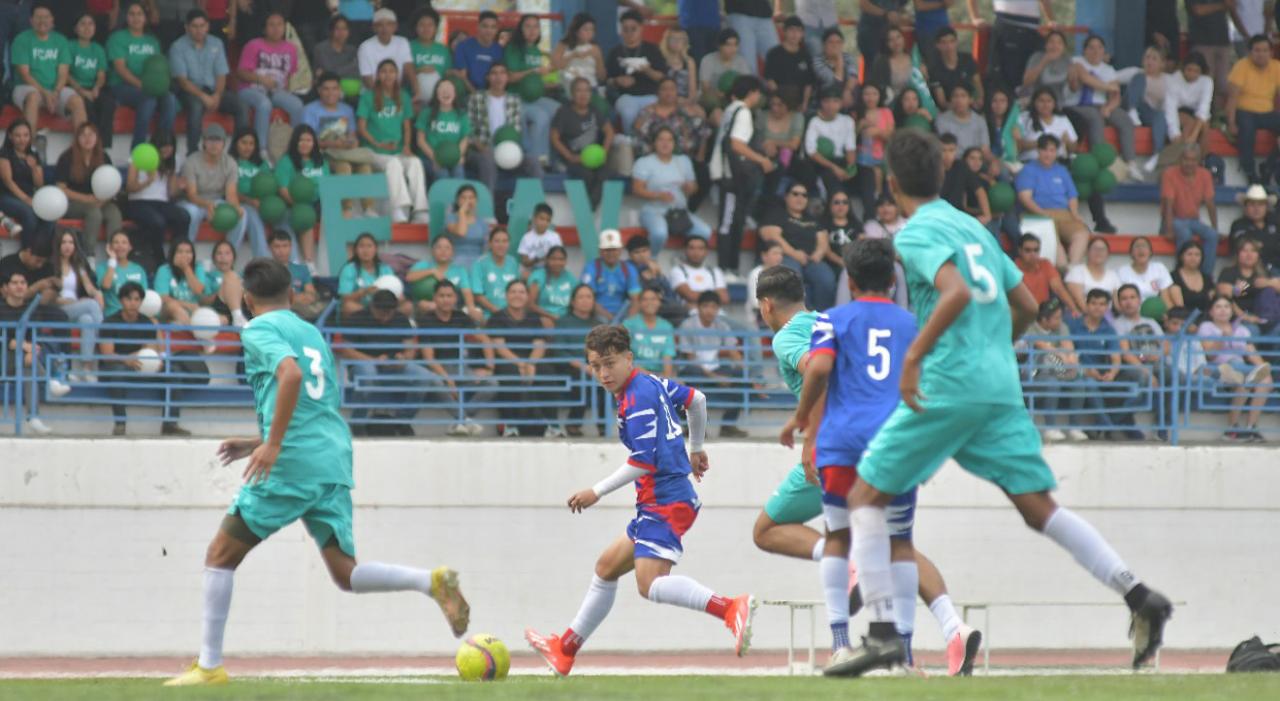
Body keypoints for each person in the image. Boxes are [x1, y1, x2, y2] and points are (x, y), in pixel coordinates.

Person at [829, 129, 1171, 677]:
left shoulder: (916, 233)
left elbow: (956, 292)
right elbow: (1029, 305)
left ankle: (884, 633)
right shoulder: (975, 228)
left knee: (864, 497)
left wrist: (915, 358)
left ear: (891, 185)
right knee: (1039, 508)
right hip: (999, 385)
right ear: (943, 175)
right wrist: (991, 350)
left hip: (949, 381)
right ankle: (1139, 595)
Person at [161, 258, 470, 686]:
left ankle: (210, 667)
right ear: (291, 294)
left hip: (293, 461)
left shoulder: (257, 329)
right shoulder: (311, 332)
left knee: (219, 556)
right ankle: (430, 582)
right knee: (346, 573)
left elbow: (289, 376)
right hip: (332, 457)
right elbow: (313, 402)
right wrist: (257, 440)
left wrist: (272, 444)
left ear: (247, 299)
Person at [783, 238, 978, 671]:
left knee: (837, 537)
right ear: (893, 280)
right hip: (895, 444)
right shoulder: (915, 324)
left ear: (850, 282)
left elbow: (819, 368)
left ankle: (840, 642)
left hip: (842, 443)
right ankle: (902, 652)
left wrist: (801, 419)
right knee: (900, 542)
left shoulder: (831, 319)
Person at [525, 324, 754, 675]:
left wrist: (595, 491)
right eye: (595, 366)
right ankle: (565, 649)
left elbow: (643, 461)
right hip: (660, 499)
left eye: (610, 363)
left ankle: (730, 608)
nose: (603, 373)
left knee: (649, 585)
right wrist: (695, 448)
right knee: (606, 568)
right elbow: (696, 400)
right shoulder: (650, 382)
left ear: (628, 358)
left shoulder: (636, 399)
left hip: (665, 501)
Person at [97, 280, 202, 438]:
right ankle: (120, 423)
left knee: (172, 372)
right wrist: (127, 359)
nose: (133, 303)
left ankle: (170, 424)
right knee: (117, 373)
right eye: (128, 299)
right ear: (121, 301)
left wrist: (154, 362)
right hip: (118, 365)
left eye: (137, 299)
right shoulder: (110, 322)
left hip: (140, 365)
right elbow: (107, 355)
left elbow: (150, 350)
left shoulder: (146, 322)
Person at [337, 288, 434, 436]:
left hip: (395, 365)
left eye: (389, 313)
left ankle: (402, 421)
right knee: (368, 374)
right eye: (381, 312)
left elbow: (410, 348)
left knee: (424, 377)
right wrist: (374, 361)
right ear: (372, 307)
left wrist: (403, 358)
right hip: (364, 364)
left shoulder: (401, 319)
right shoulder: (357, 318)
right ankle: (358, 422)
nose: (385, 317)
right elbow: (346, 351)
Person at [711, 75, 774, 276]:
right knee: (730, 222)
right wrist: (761, 160)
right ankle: (726, 268)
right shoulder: (743, 112)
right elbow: (737, 144)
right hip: (732, 175)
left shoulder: (730, 109)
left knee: (732, 221)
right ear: (752, 92)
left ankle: (729, 267)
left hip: (727, 172)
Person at [1062, 35, 1141, 183]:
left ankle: (1130, 163)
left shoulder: (1108, 69)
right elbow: (1086, 79)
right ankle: (1099, 160)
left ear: (1104, 51)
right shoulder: (1077, 61)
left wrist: (1109, 107)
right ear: (1085, 50)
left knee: (1124, 119)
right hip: (1077, 105)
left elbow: (1116, 96)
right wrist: (1108, 86)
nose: (1095, 51)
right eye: (1091, 47)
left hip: (1100, 104)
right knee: (1095, 117)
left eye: (1099, 47)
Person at [416, 279, 490, 437]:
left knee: (492, 383)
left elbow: (484, 339)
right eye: (441, 296)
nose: (445, 300)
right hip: (436, 369)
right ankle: (464, 419)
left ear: (455, 298)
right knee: (435, 382)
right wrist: (449, 381)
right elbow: (429, 358)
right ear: (435, 298)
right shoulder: (426, 320)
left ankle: (461, 420)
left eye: (449, 296)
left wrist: (489, 368)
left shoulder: (461, 317)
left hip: (460, 367)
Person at [358, 58, 428, 224]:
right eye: (383, 71)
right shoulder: (368, 97)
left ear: (397, 75)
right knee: (393, 164)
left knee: (415, 162)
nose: (388, 75)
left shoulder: (403, 96)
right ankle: (398, 208)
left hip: (397, 151)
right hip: (374, 152)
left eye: (391, 71)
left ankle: (420, 210)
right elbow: (361, 128)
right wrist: (376, 143)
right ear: (377, 75)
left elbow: (407, 127)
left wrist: (407, 147)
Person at [484, 279, 556, 437]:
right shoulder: (497, 317)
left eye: (521, 292)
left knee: (548, 373)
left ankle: (553, 425)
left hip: (531, 360)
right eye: (513, 292)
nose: (517, 295)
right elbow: (500, 347)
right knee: (510, 375)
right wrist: (521, 364)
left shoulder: (534, 317)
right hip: (507, 360)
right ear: (506, 295)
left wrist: (531, 364)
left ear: (527, 296)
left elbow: (539, 344)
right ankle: (510, 425)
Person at [1198, 294, 1274, 441]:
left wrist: (1264, 368)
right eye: (1218, 307)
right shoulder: (1206, 327)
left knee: (1266, 379)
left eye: (1226, 307)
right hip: (1217, 368)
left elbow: (1252, 354)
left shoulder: (1242, 330)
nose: (1223, 310)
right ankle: (1232, 428)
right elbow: (1210, 356)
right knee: (1240, 376)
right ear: (1211, 312)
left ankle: (1250, 428)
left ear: (1232, 310)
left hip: (1240, 368)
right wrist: (1223, 338)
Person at [170, 9, 242, 155]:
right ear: (187, 27)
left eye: (202, 26)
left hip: (214, 90)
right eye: (194, 26)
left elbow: (221, 74)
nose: (199, 30)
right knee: (196, 107)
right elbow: (183, 81)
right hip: (190, 91)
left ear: (207, 26)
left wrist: (217, 95)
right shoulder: (177, 47)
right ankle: (192, 153)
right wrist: (204, 97)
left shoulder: (216, 43)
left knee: (241, 106)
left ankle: (237, 152)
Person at [303, 72, 375, 217]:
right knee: (344, 167)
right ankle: (346, 209)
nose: (331, 93)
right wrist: (331, 143)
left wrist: (351, 142)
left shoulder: (347, 110)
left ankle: (368, 209)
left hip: (343, 152)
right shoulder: (310, 110)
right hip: (322, 155)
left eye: (334, 88)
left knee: (365, 167)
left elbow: (353, 136)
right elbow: (306, 140)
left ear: (340, 90)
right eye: (326, 89)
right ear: (319, 90)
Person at [466, 62, 542, 196]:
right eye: (494, 73)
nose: (498, 77)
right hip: (481, 150)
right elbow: (467, 129)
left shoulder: (514, 100)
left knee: (533, 162)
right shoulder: (476, 98)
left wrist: (510, 150)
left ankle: (534, 203)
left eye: (502, 73)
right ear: (488, 77)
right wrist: (480, 146)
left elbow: (516, 130)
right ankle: (487, 205)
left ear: (507, 77)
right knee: (488, 159)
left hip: (508, 151)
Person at [678, 291, 748, 438]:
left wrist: (746, 373)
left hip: (715, 369)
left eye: (714, 307)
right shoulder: (688, 325)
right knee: (689, 376)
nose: (709, 311)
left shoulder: (721, 325)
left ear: (718, 309)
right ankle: (693, 428)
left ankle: (728, 426)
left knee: (741, 377)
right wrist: (714, 377)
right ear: (698, 308)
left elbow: (733, 352)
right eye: (705, 306)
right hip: (695, 370)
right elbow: (690, 358)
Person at [12, 5, 87, 138]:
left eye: (46, 17)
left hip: (55, 89)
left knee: (77, 101)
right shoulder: (21, 40)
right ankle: (29, 145)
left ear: (52, 20)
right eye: (38, 17)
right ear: (31, 20)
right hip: (27, 87)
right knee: (33, 97)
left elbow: (63, 73)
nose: (42, 21)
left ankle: (81, 146)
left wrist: (56, 92)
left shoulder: (60, 40)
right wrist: (45, 93)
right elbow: (25, 75)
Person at [107, 2, 175, 149]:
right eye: (132, 14)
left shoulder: (152, 41)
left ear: (145, 18)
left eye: (139, 14)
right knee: (148, 99)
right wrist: (142, 85)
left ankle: (161, 145)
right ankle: (138, 148)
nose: (136, 18)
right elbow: (120, 69)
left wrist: (158, 86)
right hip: (121, 86)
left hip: (148, 86)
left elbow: (159, 68)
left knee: (170, 100)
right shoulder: (117, 38)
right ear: (126, 17)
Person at [235, 13, 304, 157]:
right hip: (250, 89)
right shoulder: (253, 45)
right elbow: (241, 73)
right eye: (271, 25)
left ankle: (297, 147)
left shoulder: (291, 49)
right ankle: (261, 150)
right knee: (264, 104)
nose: (276, 28)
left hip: (276, 91)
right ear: (264, 29)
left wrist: (286, 92)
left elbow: (289, 76)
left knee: (297, 105)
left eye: (280, 24)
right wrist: (261, 79)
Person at [1016, 134, 1090, 267]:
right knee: (1054, 245)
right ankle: (1064, 269)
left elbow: (1072, 196)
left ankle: (1072, 268)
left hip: (1064, 213)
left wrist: (1075, 213)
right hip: (1038, 214)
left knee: (1082, 233)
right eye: (1045, 150)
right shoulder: (1028, 170)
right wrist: (1042, 213)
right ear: (1038, 151)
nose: (1048, 154)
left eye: (1052, 150)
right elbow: (1025, 198)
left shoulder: (1061, 170)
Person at [632, 127, 709, 252]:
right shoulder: (644, 162)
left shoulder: (684, 161)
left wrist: (689, 188)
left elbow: (694, 188)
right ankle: (652, 259)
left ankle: (686, 259)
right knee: (659, 233)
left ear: (674, 144)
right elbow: (637, 189)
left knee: (704, 232)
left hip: (679, 212)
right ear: (654, 143)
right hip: (653, 211)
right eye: (661, 139)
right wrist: (658, 195)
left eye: (669, 140)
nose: (665, 143)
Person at [760, 184, 836, 311]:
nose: (800, 198)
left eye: (804, 195)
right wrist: (794, 253)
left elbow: (823, 239)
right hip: (786, 257)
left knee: (826, 279)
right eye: (795, 194)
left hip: (811, 260)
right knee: (793, 278)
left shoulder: (812, 219)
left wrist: (818, 253)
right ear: (786, 197)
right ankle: (800, 315)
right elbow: (771, 235)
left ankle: (821, 316)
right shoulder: (777, 215)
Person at [122, 131, 189, 273]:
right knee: (157, 222)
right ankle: (159, 259)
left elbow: (171, 193)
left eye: (170, 146)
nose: (166, 150)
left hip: (162, 203)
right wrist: (148, 181)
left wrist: (180, 187)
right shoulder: (139, 156)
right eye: (163, 146)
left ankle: (177, 255)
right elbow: (129, 187)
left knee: (183, 216)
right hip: (139, 202)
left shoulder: (173, 160)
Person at [53, 122, 120, 255]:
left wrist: (102, 201)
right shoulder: (67, 157)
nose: (87, 138)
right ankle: (88, 256)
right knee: (93, 213)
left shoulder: (104, 157)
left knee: (114, 213)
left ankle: (115, 255)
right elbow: (61, 188)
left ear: (97, 137)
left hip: (99, 201)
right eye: (83, 135)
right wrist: (86, 199)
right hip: (73, 203)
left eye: (91, 134)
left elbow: (112, 185)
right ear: (77, 138)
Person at [1025, 299, 1088, 443]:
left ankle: (1074, 428)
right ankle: (1050, 428)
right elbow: (1041, 345)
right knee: (1052, 382)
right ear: (1044, 319)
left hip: (1059, 370)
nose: (1060, 321)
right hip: (1035, 373)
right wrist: (1060, 353)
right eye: (1056, 318)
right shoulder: (1030, 327)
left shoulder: (1061, 326)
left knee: (1078, 383)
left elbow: (1068, 346)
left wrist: (1070, 358)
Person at [551, 77, 614, 206]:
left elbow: (609, 131)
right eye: (579, 91)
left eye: (587, 91)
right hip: (574, 158)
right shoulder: (563, 112)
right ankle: (586, 207)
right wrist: (569, 156)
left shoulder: (594, 110)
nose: (583, 95)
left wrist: (604, 151)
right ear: (572, 94)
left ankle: (591, 206)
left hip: (594, 157)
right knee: (587, 175)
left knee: (605, 172)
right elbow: (554, 137)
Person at [506, 13, 558, 166]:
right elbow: (510, 77)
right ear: (520, 29)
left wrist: (548, 84)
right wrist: (533, 71)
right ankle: (535, 159)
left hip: (535, 98)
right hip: (516, 98)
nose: (532, 30)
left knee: (560, 111)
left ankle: (553, 157)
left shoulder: (536, 50)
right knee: (541, 117)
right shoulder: (513, 49)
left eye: (536, 27)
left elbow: (534, 81)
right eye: (528, 26)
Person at [1226, 34, 1280, 183]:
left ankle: (1268, 166)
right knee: (1247, 131)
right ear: (1250, 52)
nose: (1261, 54)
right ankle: (1250, 173)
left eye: (1265, 50)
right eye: (1257, 50)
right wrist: (1231, 123)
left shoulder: (1277, 67)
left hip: (1267, 112)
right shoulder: (1241, 66)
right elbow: (1232, 98)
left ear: (1271, 52)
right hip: (1245, 111)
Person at [968, 0, 1054, 92]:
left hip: (1031, 31)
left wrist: (1051, 20)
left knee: (1031, 71)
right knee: (1004, 76)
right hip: (1007, 28)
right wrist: (975, 17)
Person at [50, 229, 103, 376]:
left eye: (71, 242)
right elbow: (50, 298)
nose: (67, 246)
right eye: (64, 242)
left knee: (87, 319)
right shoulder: (51, 266)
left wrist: (97, 293)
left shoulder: (78, 265)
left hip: (75, 309)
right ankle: (105, 336)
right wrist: (73, 301)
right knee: (91, 305)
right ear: (58, 245)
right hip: (59, 309)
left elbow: (89, 288)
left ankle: (86, 368)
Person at [275, 125, 328, 270]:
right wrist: (296, 205)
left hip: (320, 202)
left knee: (339, 213)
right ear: (295, 142)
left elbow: (328, 183)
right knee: (306, 216)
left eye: (309, 140)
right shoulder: (286, 161)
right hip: (296, 203)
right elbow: (283, 189)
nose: (305, 144)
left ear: (314, 143)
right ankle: (309, 263)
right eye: (301, 140)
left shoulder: (321, 160)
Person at [607, 11, 668, 133]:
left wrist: (647, 70)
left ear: (641, 29)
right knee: (628, 112)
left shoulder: (652, 49)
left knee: (652, 112)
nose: (629, 33)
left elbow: (662, 77)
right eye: (625, 29)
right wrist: (618, 81)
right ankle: (631, 140)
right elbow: (607, 80)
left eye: (633, 29)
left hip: (650, 95)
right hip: (625, 96)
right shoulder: (615, 52)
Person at [0, 119, 54, 249]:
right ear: (10, 136)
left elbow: (39, 184)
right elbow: (8, 181)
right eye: (18, 135)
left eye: (25, 135)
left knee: (49, 215)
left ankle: (41, 252)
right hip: (7, 196)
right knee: (28, 212)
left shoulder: (34, 155)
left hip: (30, 195)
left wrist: (34, 168)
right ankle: (27, 251)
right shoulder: (4, 153)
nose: (22, 139)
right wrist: (26, 199)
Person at [66, 12, 113, 150]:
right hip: (74, 88)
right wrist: (81, 90)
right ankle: (89, 145)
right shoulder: (69, 46)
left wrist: (96, 88)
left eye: (90, 24)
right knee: (88, 106)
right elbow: (66, 74)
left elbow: (101, 75)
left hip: (93, 88)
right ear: (75, 28)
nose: (87, 27)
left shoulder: (98, 49)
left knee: (108, 104)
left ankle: (103, 146)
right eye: (83, 24)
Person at [802, 86, 857, 203]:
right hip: (821, 162)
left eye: (835, 101)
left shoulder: (847, 121)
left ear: (841, 103)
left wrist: (850, 168)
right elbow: (811, 151)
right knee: (829, 176)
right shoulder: (815, 122)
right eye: (826, 101)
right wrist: (834, 168)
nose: (831, 105)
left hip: (841, 160)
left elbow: (850, 147)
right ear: (821, 103)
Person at [1216, 238, 1280, 333]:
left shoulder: (1264, 273)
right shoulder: (1228, 273)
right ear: (1238, 254)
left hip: (1265, 318)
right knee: (1253, 329)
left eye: (1253, 251)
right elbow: (1226, 300)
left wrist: (1268, 282)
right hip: (1239, 318)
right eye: (1245, 251)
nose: (1249, 255)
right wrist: (1247, 317)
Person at [414, 77, 470, 181]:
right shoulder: (426, 113)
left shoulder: (462, 115)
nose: (446, 92)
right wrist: (435, 158)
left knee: (458, 171)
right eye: (442, 89)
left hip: (453, 157)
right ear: (436, 93)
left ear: (455, 93)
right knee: (442, 173)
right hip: (430, 157)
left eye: (449, 89)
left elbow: (464, 139)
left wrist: (457, 156)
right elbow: (420, 140)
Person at [1127, 47, 1171, 170]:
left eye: (1154, 59)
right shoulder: (1136, 73)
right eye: (1147, 57)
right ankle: (1132, 110)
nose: (1149, 61)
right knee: (1139, 77)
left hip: (1151, 114)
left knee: (1161, 115)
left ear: (1162, 63)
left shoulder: (1168, 80)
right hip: (1135, 109)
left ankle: (1157, 153)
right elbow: (1112, 77)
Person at [582, 229, 641, 321]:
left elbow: (635, 299)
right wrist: (610, 318)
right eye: (607, 250)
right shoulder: (591, 267)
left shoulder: (629, 268)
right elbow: (588, 298)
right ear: (600, 251)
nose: (611, 253)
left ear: (620, 250)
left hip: (624, 313)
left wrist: (629, 322)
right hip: (598, 313)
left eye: (614, 249)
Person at [1015, 234, 1079, 314]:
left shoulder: (1045, 264)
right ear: (1019, 251)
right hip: (1022, 313)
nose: (1032, 254)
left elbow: (1058, 288)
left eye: (1036, 250)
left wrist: (1074, 309)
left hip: (1045, 313)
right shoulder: (1013, 267)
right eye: (1028, 250)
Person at [1188, 0, 1234, 111]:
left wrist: (1224, 5)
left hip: (1223, 41)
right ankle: (1203, 113)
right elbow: (1198, 10)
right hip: (1202, 42)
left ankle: (1218, 114)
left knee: (1223, 83)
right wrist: (1221, 6)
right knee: (1205, 82)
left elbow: (1232, 4)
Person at [1165, 53, 1214, 154]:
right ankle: (1182, 154)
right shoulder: (1174, 79)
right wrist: (1175, 134)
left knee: (1205, 127)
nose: (1192, 74)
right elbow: (1170, 109)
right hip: (1179, 111)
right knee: (1189, 123)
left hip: (1198, 113)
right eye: (1189, 70)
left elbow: (1204, 108)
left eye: (1196, 71)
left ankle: (1203, 159)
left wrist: (1194, 135)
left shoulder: (1207, 82)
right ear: (1183, 68)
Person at [337, 232, 396, 317]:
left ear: (375, 249)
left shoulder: (385, 268)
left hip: (384, 308)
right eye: (361, 246)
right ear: (355, 250)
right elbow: (344, 298)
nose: (366, 250)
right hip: (361, 309)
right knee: (348, 306)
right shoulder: (349, 269)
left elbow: (397, 294)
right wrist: (364, 292)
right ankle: (374, 316)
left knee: (407, 306)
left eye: (369, 246)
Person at [623, 286, 677, 378]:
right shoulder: (628, 325)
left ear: (659, 302)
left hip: (659, 375)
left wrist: (665, 378)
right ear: (639, 303)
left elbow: (667, 358)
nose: (649, 303)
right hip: (635, 374)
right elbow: (623, 356)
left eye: (653, 299)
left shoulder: (666, 327)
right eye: (645, 299)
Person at [269, 231, 323, 320]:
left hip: (301, 309)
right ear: (270, 248)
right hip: (277, 312)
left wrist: (307, 297)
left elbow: (311, 292)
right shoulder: (265, 271)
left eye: (285, 246)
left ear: (291, 247)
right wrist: (294, 298)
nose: (281, 251)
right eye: (277, 246)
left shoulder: (302, 269)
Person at [153, 238, 208, 324]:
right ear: (173, 254)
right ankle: (191, 328)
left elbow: (198, 290)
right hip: (169, 310)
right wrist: (186, 305)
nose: (184, 255)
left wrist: (186, 268)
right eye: (180, 252)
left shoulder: (198, 268)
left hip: (194, 310)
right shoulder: (164, 270)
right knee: (173, 307)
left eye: (188, 252)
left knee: (220, 318)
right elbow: (163, 298)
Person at [927, 27, 982, 113]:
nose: (949, 46)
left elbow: (978, 84)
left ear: (957, 42)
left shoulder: (968, 59)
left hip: (972, 107)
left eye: (951, 41)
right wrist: (961, 107)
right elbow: (942, 102)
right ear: (938, 45)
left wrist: (979, 99)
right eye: (944, 43)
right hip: (949, 111)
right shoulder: (934, 69)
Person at [699, 28, 751, 118]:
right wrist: (720, 94)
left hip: (735, 97)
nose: (732, 49)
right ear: (719, 46)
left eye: (735, 45)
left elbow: (747, 83)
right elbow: (705, 87)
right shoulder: (708, 60)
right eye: (728, 45)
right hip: (715, 96)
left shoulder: (741, 61)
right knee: (710, 99)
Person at [552, 12, 606, 97]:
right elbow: (555, 66)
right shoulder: (563, 45)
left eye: (592, 30)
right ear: (576, 31)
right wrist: (572, 56)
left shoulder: (595, 48)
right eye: (585, 29)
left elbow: (602, 77)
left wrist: (598, 58)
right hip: (568, 87)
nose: (589, 33)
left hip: (590, 88)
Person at [97, 230, 148, 317]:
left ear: (130, 247)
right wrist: (112, 261)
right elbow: (106, 286)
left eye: (124, 242)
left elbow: (143, 295)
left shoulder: (138, 269)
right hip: (113, 315)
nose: (120, 246)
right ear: (110, 247)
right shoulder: (102, 268)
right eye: (116, 242)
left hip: (135, 316)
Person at [471, 228, 520, 318]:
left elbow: (518, 290)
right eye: (497, 241)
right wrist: (499, 313)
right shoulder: (479, 264)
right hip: (488, 315)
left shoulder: (513, 262)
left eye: (505, 241)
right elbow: (478, 295)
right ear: (490, 244)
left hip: (512, 314)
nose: (501, 245)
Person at [357, 8, 411, 91]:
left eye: (389, 24)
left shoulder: (403, 42)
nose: (384, 28)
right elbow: (367, 79)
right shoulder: (365, 47)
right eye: (380, 25)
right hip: (372, 93)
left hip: (396, 92)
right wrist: (384, 96)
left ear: (395, 26)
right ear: (374, 27)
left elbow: (409, 69)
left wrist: (417, 91)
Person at [1065, 236, 1121, 313]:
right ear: (1087, 252)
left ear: (1108, 254)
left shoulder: (1113, 275)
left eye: (1102, 249)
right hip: (1082, 315)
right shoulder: (1077, 271)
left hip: (1107, 316)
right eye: (1095, 249)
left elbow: (1117, 304)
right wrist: (1095, 318)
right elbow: (1079, 301)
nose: (1099, 252)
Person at [452, 10, 503, 93]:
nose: (489, 30)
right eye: (485, 26)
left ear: (497, 29)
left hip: (492, 94)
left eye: (493, 27)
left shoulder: (500, 50)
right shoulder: (463, 46)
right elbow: (462, 76)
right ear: (478, 27)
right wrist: (476, 95)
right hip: (467, 94)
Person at [1230, 183, 1280, 268]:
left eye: (1261, 204)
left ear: (1267, 207)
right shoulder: (1238, 225)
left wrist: (1261, 244)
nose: (1256, 208)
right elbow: (1242, 247)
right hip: (1251, 271)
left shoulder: (1275, 223)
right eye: (1252, 204)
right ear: (1245, 207)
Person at [726, 0, 782, 75]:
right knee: (747, 67)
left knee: (779, 59)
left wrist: (777, 7)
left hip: (764, 13)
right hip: (739, 13)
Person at [407, 8, 449, 107]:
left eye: (430, 25)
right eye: (422, 25)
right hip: (413, 101)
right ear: (416, 28)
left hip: (438, 103)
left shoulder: (443, 49)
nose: (426, 29)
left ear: (436, 28)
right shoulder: (408, 47)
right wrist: (418, 71)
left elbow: (447, 74)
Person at [934, 84, 990, 157]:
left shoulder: (980, 121)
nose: (959, 100)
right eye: (955, 96)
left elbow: (985, 149)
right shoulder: (942, 120)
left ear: (971, 99)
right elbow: (945, 149)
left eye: (963, 96)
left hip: (975, 161)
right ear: (951, 100)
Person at [202, 240, 247, 327]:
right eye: (219, 253)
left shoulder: (242, 275)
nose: (223, 257)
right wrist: (224, 290)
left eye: (227, 253)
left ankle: (238, 317)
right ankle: (237, 317)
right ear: (214, 258)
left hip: (243, 309)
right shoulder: (208, 277)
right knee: (230, 276)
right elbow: (203, 300)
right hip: (219, 308)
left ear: (233, 257)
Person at [528, 245, 577, 323]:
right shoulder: (538, 276)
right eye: (553, 259)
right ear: (547, 260)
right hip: (543, 317)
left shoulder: (570, 277)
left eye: (561, 259)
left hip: (566, 318)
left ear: (566, 261)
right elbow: (530, 305)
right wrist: (551, 316)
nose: (557, 262)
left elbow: (576, 302)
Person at [866, 25, 916, 101]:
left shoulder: (914, 58)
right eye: (891, 40)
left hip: (914, 101)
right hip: (891, 102)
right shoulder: (881, 62)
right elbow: (876, 86)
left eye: (898, 37)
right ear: (886, 43)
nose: (896, 42)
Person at [1163, 241, 1213, 315]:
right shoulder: (1172, 277)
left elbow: (1212, 303)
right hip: (1181, 318)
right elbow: (1174, 306)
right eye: (1189, 254)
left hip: (1205, 318)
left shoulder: (1207, 278)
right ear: (1181, 256)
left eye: (1197, 255)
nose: (1193, 258)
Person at [311, 15, 361, 90]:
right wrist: (350, 68)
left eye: (344, 29)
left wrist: (327, 72)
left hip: (349, 87)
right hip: (327, 89)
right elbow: (329, 74)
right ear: (331, 31)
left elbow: (357, 72)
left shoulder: (352, 50)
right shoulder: (321, 49)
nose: (341, 32)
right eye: (337, 28)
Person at [812, 28, 857, 111]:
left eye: (838, 42)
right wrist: (839, 59)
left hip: (845, 98)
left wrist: (847, 91)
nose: (835, 45)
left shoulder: (848, 57)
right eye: (831, 42)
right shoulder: (817, 60)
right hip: (822, 101)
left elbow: (853, 76)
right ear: (824, 45)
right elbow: (834, 83)